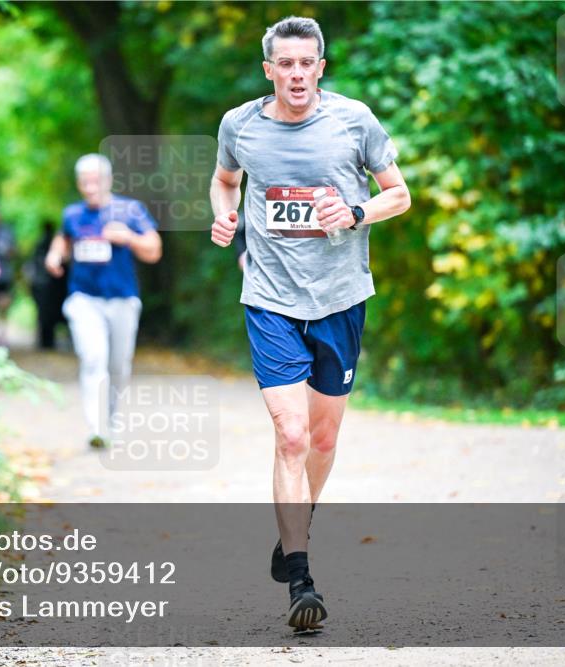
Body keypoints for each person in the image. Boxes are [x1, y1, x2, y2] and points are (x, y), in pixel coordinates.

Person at [210, 16, 411, 631]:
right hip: (269, 298)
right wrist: (224, 217)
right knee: (291, 436)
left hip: (342, 299)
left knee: (322, 440)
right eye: (285, 64)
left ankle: (295, 528)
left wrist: (352, 212)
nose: (296, 74)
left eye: (307, 63)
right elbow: (224, 182)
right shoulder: (240, 125)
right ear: (268, 69)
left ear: (320, 67)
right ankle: (301, 578)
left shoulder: (353, 121)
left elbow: (398, 194)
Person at [45, 153, 163, 449]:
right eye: (85, 182)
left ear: (108, 181)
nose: (90, 187)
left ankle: (111, 420)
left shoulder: (129, 210)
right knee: (92, 357)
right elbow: (64, 239)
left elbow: (154, 249)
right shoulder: (73, 214)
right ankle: (96, 427)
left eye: (95, 181)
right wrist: (54, 255)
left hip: (122, 299)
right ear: (79, 184)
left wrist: (128, 238)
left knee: (118, 365)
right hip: (84, 299)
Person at [28, 221, 68, 350]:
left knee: (45, 316)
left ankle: (46, 342)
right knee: (48, 315)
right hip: (49, 285)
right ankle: (47, 342)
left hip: (45, 285)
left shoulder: (44, 244)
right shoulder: (48, 244)